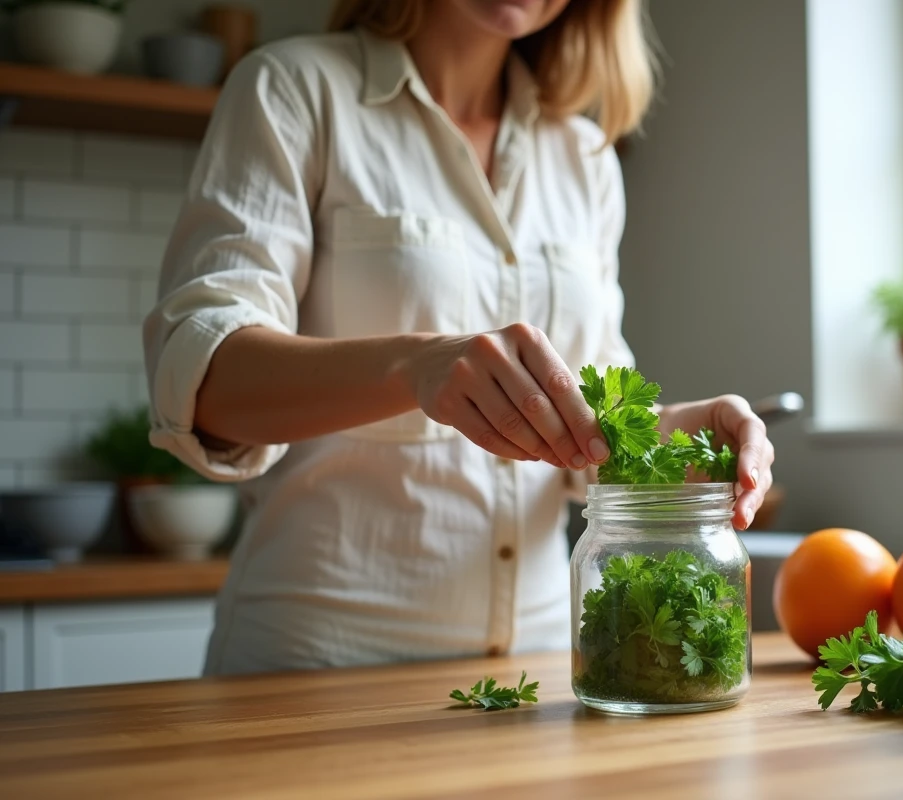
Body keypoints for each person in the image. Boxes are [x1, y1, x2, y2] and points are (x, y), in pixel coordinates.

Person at [143, 0, 776, 677]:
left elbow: (587, 429)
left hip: (537, 673)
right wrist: (415, 367)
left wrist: (682, 434)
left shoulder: (584, 158)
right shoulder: (294, 90)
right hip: (318, 665)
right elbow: (200, 381)